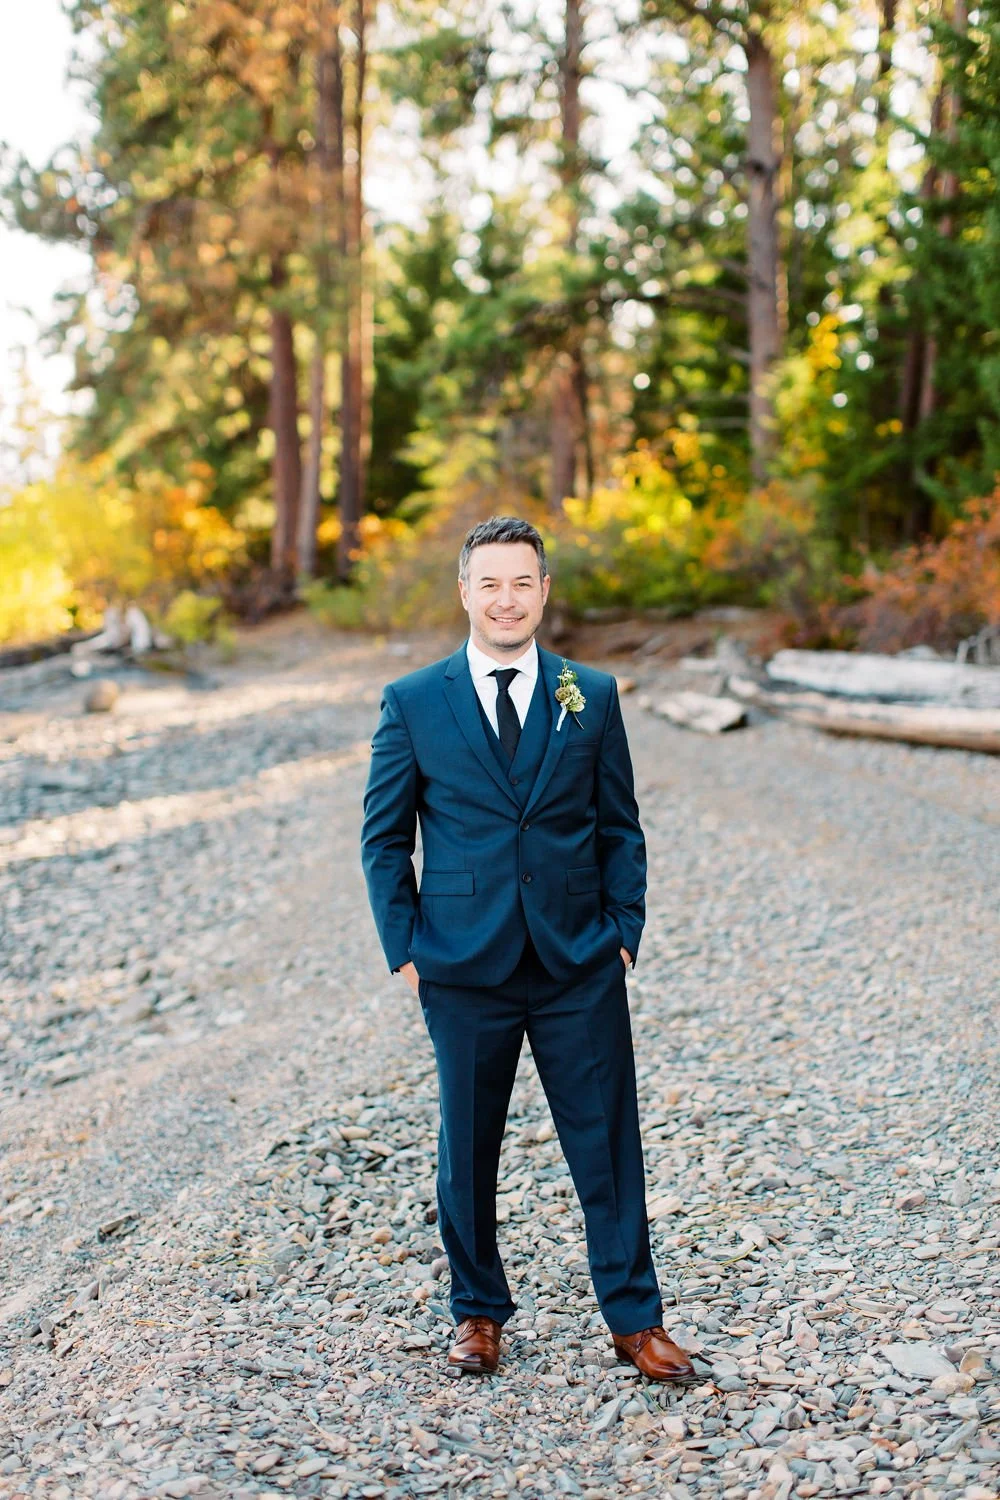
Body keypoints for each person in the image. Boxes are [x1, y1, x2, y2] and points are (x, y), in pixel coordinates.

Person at [360, 515, 694, 1381]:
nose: (506, 600)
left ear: (544, 591)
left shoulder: (593, 692)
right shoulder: (412, 701)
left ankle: (634, 1318)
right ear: (464, 591)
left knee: (608, 1144)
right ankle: (476, 1313)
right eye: (490, 583)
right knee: (465, 1149)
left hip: (578, 960)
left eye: (523, 583)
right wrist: (405, 946)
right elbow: (384, 838)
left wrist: (624, 933)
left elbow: (621, 826)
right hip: (462, 964)